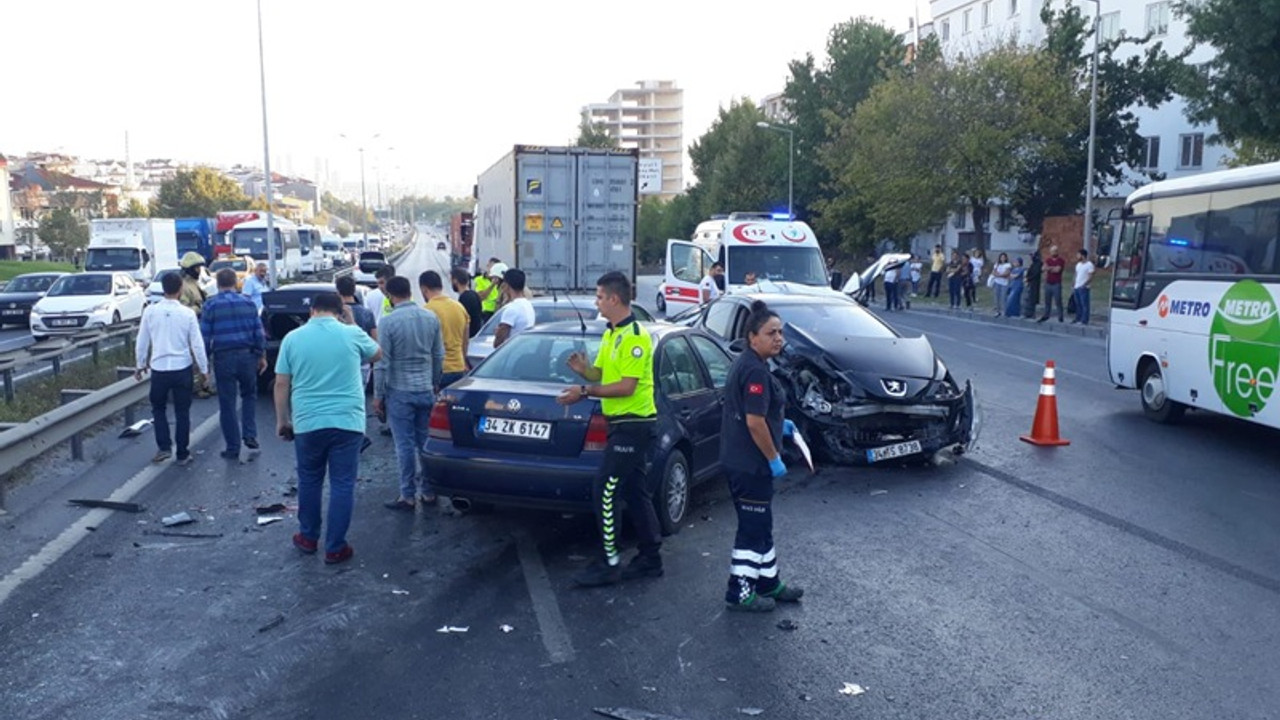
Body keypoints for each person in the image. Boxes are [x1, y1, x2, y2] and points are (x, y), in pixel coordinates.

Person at [556, 271, 662, 586]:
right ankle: (650, 557)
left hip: (635, 424)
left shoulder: (635, 337)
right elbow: (601, 373)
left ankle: (609, 561)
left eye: (600, 297)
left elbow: (627, 387)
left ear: (614, 299)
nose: (597, 302)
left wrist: (583, 392)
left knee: (604, 489)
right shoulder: (611, 334)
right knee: (634, 490)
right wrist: (584, 371)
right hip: (620, 425)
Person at [275, 291, 381, 565]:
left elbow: (281, 383)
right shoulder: (351, 334)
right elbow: (377, 353)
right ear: (339, 311)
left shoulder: (293, 338)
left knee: (309, 480)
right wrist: (351, 322)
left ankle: (308, 537)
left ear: (312, 311)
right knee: (342, 484)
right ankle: (335, 547)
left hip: (308, 422)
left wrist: (282, 420)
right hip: (347, 422)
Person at [720, 300, 804, 612]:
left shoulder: (751, 364)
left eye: (781, 332)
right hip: (750, 465)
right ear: (753, 337)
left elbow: (758, 416)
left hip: (742, 461)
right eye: (771, 333)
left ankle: (769, 582)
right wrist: (773, 458)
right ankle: (739, 592)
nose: (779, 338)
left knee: (762, 524)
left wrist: (780, 425)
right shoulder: (754, 371)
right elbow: (754, 423)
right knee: (752, 529)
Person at [375, 276, 444, 511]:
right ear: (411, 292)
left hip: (400, 390)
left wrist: (378, 395)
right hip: (426, 388)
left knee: (403, 444)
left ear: (390, 296)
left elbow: (382, 363)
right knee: (425, 441)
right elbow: (438, 355)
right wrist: (435, 381)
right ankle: (429, 490)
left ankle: (407, 495)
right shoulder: (430, 317)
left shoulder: (388, 322)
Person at [135, 272, 209, 465]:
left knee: (158, 408)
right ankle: (183, 452)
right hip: (182, 368)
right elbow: (197, 344)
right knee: (182, 411)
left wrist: (140, 364)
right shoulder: (188, 313)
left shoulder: (150, 311)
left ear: (163, 288)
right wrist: (204, 368)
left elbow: (142, 341)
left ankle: (164, 447)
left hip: (159, 368)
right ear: (181, 289)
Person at [201, 268, 267, 460]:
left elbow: (204, 336)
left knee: (227, 403)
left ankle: (233, 447)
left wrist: (203, 364)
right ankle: (250, 434)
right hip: (247, 357)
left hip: (224, 358)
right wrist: (260, 355)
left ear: (218, 284)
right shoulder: (248, 303)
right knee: (249, 395)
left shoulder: (211, 305)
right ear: (235, 283)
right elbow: (258, 332)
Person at [420, 270, 469, 387]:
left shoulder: (426, 311)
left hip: (439, 371)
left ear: (424, 289)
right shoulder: (459, 307)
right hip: (459, 367)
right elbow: (465, 340)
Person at [336, 275, 377, 387]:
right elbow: (374, 340)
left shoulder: (336, 314)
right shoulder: (367, 313)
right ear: (354, 290)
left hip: (341, 364)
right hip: (362, 364)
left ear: (338, 291)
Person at [493, 268, 534, 348]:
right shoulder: (528, 304)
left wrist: (498, 333)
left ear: (507, 286)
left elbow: (499, 340)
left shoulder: (512, 309)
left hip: (513, 352)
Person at [451, 268, 484, 338]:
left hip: (469, 337)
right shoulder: (474, 294)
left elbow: (463, 322)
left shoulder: (464, 298)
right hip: (476, 335)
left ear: (455, 280)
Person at [1038, 245, 1066, 323]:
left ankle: (1060, 317)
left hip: (1056, 283)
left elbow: (1057, 270)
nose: (1054, 252)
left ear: (1057, 252)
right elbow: (1043, 268)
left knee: (1058, 300)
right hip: (1048, 283)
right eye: (1052, 251)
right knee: (1047, 300)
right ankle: (1046, 315)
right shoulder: (1048, 260)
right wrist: (1051, 268)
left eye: (1055, 251)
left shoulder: (1061, 260)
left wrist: (1049, 268)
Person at [1072, 248, 1096, 325]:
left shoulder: (1089, 265)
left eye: (1078, 255)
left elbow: (1091, 276)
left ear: (1083, 256)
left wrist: (1084, 285)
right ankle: (1078, 318)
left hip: (1083, 288)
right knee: (1078, 304)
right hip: (1076, 286)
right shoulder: (1078, 265)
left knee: (1084, 304)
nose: (1077, 256)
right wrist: (1074, 283)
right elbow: (1076, 274)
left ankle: (1084, 320)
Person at [991, 252, 1012, 317]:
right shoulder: (997, 264)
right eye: (1001, 257)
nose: (1002, 258)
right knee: (996, 296)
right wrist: (998, 275)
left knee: (1003, 297)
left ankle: (1004, 311)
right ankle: (997, 311)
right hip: (997, 282)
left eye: (1004, 257)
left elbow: (1006, 273)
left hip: (1004, 283)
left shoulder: (1008, 265)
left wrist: (999, 275)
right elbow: (994, 272)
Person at [1024, 251, 1043, 319]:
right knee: (1028, 298)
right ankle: (1028, 313)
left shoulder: (1038, 264)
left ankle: (1031, 313)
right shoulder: (1033, 264)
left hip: (1034, 283)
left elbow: (1036, 273)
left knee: (1033, 298)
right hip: (1031, 282)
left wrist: (1029, 278)